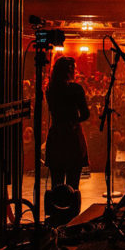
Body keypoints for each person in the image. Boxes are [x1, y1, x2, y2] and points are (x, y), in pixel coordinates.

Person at [44, 56, 90, 190]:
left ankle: (56, 209)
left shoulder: (50, 89)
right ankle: (72, 209)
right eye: (74, 69)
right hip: (72, 136)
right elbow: (85, 114)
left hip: (56, 135)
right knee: (73, 183)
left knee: (56, 183)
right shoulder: (76, 89)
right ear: (69, 70)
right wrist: (75, 121)